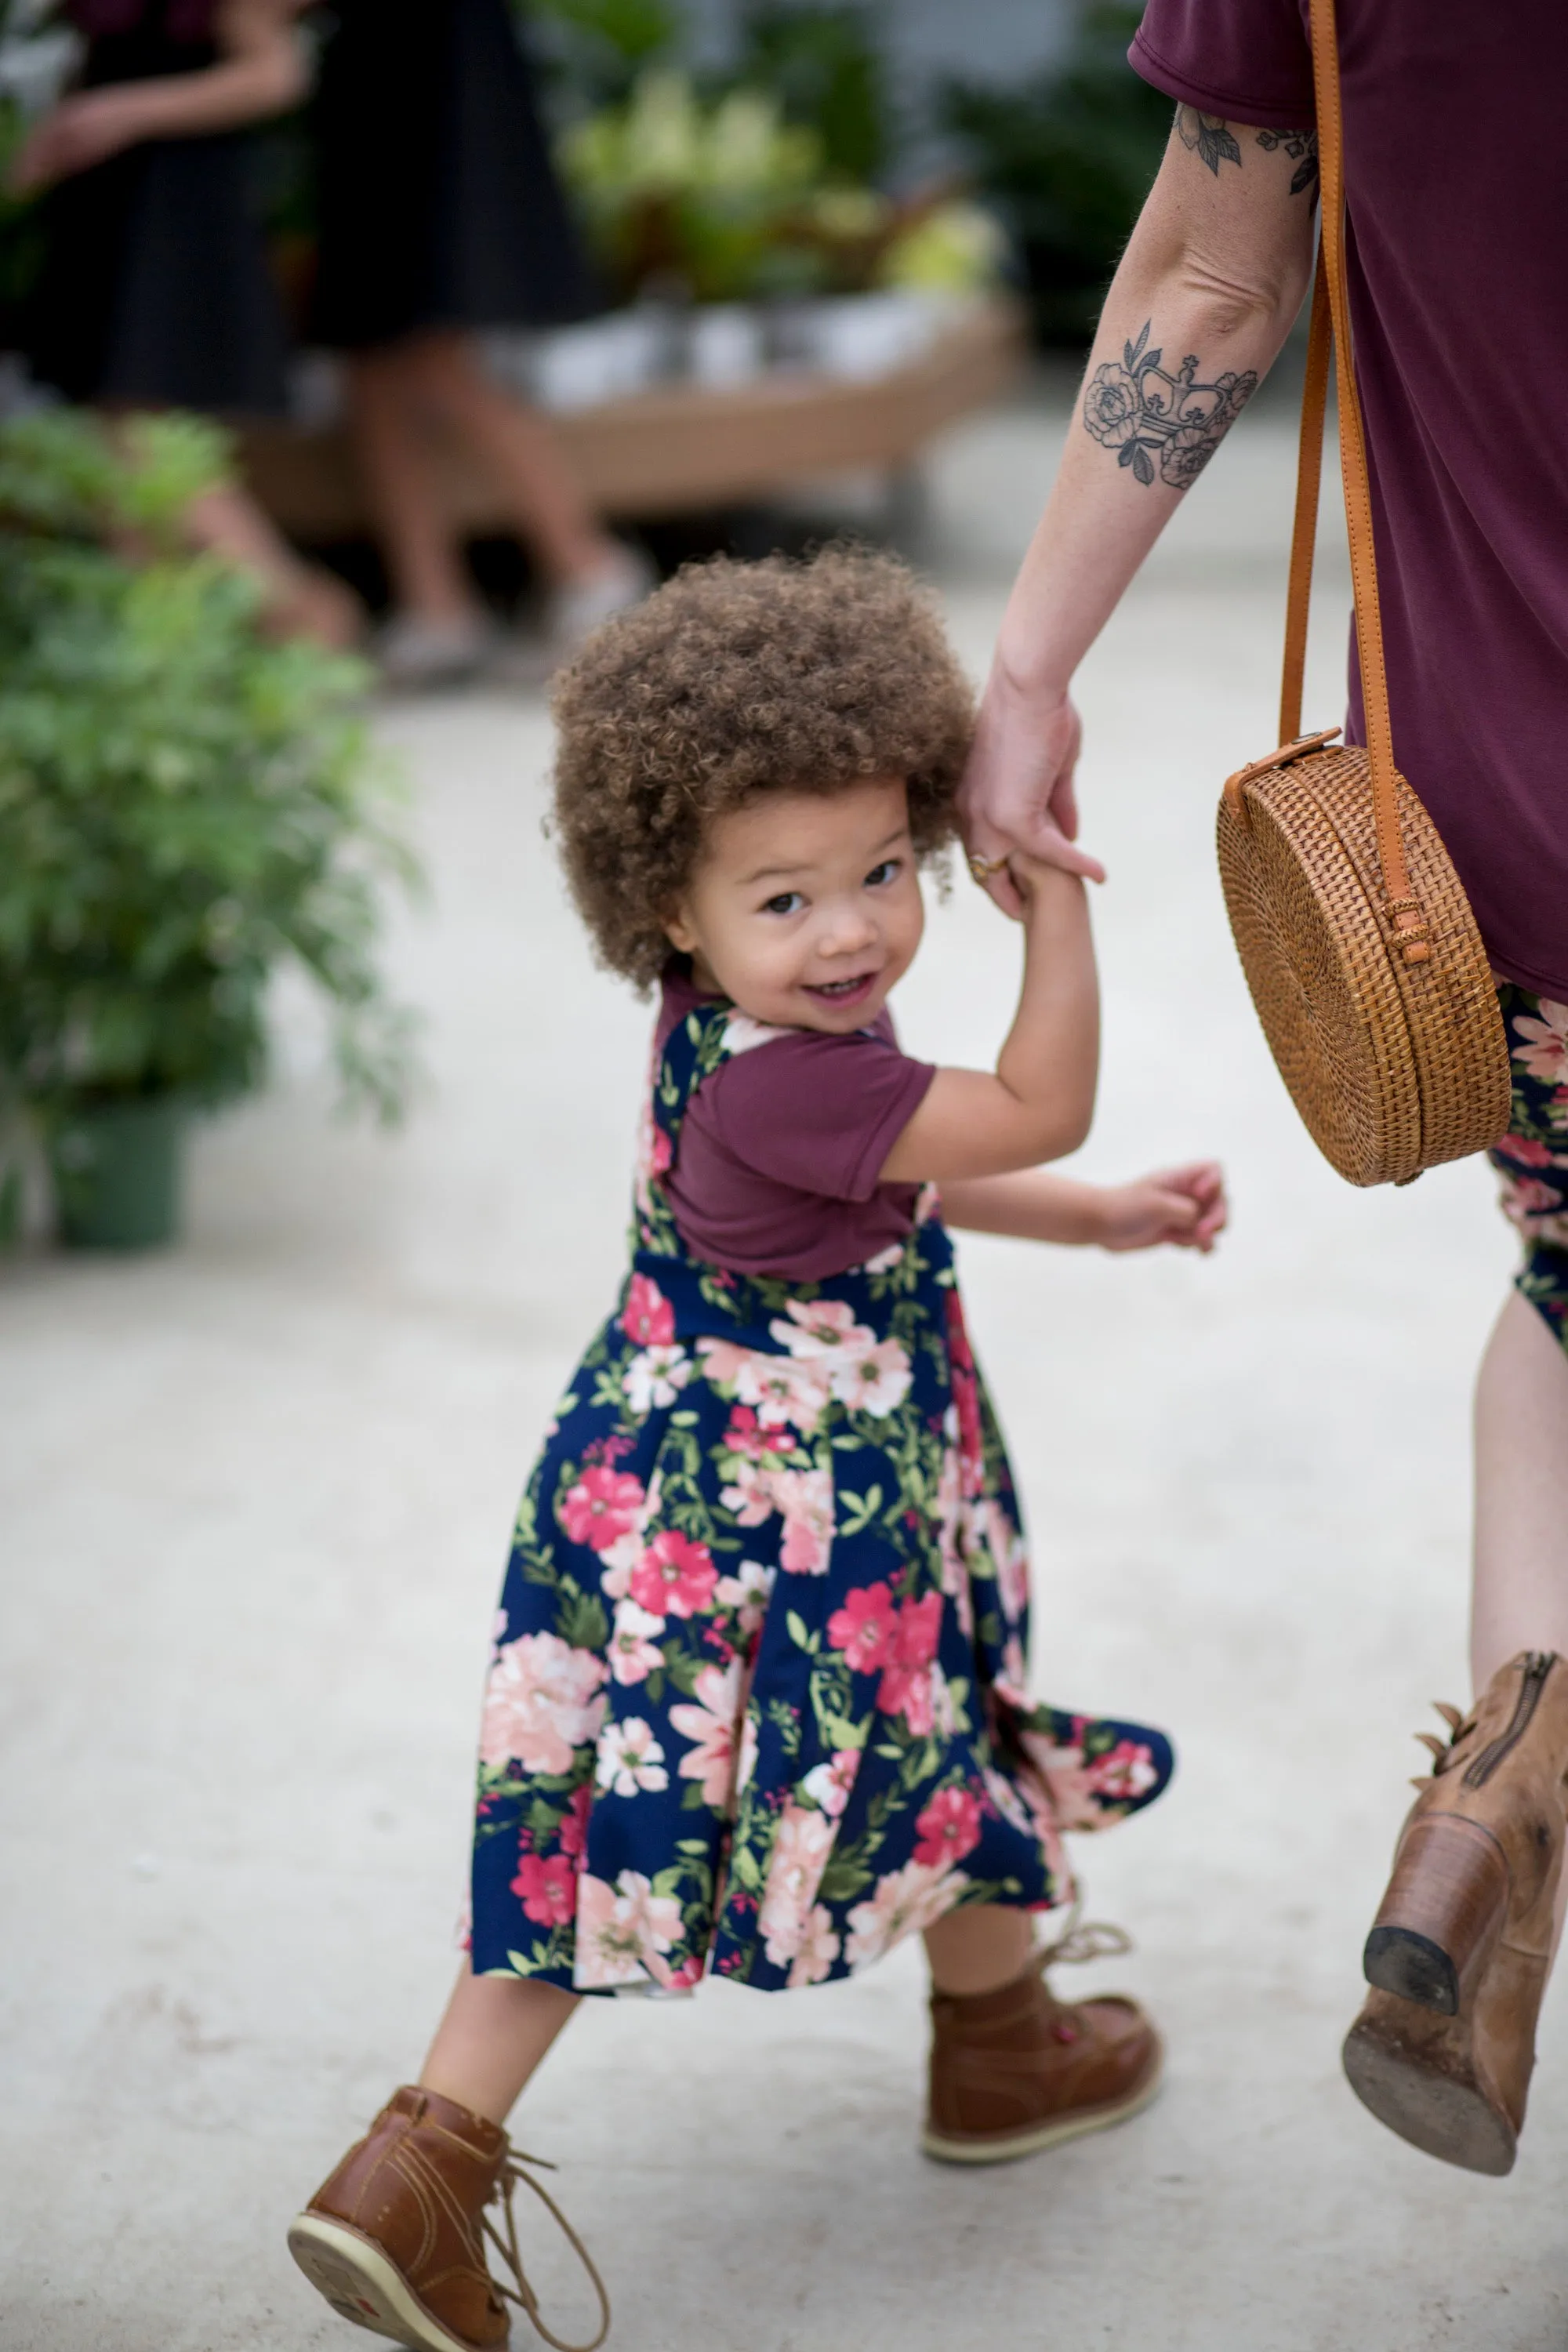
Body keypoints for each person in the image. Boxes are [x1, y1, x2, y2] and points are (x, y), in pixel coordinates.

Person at [285, 546, 1228, 2352]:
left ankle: (994, 2046)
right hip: (788, 1516)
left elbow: (903, 1162)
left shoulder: (750, 1026)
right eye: (786, 897)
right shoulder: (787, 1069)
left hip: (668, 1476)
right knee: (657, 1816)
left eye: (886, 868)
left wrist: (1085, 1216)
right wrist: (1053, 904)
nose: (852, 928)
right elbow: (1024, 1094)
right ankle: (422, 2166)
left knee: (787, 1758)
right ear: (668, 905)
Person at [956, 0, 1568, 2178]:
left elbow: (1215, 272)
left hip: (1526, 813)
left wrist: (1026, 668)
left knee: (1565, 1311)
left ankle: (1495, 1813)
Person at [307, 0, 651, 689]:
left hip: (432, 68)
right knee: (369, 358)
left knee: (432, 347)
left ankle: (590, 569)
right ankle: (436, 607)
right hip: (371, 62)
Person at [9, 0, 361, 646]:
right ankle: (157, 662)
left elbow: (276, 75)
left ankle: (308, 627)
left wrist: (120, 113)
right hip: (113, 190)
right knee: (115, 448)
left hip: (180, 194)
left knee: (142, 438)